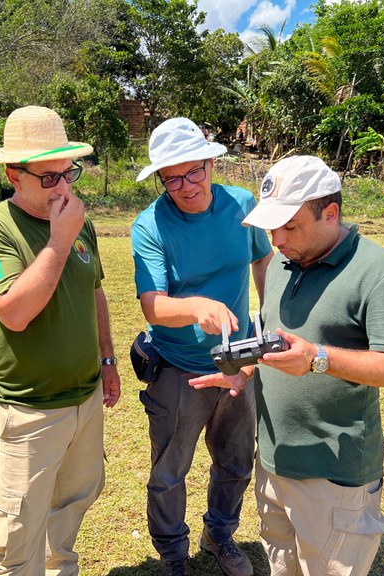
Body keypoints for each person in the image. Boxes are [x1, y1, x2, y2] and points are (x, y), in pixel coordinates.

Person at [190, 155, 384, 576]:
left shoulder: (383, 274)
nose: (276, 239)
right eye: (271, 227)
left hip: (334, 476)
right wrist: (243, 370)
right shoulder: (282, 262)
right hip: (274, 462)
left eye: (290, 226)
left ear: (330, 213)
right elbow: (274, 331)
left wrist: (318, 358)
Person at [0, 105, 121, 576]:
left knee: (69, 510)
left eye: (67, 173)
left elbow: (94, 290)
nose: (64, 187)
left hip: (84, 398)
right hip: (30, 408)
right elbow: (14, 312)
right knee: (14, 536)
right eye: (49, 178)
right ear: (14, 174)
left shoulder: (76, 220)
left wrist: (108, 360)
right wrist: (57, 240)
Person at [131, 117, 274, 576]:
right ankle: (174, 556)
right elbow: (152, 306)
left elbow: (262, 259)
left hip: (238, 363)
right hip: (178, 367)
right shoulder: (149, 225)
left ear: (212, 163)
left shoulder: (242, 204)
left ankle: (220, 534)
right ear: (160, 179)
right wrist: (195, 307)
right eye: (172, 177)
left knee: (237, 461)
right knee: (169, 473)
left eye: (194, 172)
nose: (186, 185)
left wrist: (267, 322)